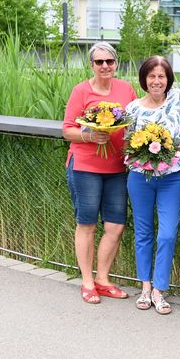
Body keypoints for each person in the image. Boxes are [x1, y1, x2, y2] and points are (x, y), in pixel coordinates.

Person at [62, 42, 137, 304]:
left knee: (115, 225)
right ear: (91, 65)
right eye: (99, 62)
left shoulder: (126, 89)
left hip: (117, 167)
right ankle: (86, 281)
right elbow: (68, 129)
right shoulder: (81, 91)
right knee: (87, 223)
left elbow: (135, 122)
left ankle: (103, 279)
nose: (105, 66)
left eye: (109, 61)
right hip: (85, 167)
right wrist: (89, 134)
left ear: (116, 63)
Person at [125, 56, 180, 315]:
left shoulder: (178, 99)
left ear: (168, 79)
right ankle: (145, 287)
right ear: (144, 79)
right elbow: (127, 142)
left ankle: (159, 290)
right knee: (143, 233)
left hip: (170, 179)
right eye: (151, 76)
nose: (156, 81)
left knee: (167, 233)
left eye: (161, 76)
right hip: (139, 178)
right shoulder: (133, 108)